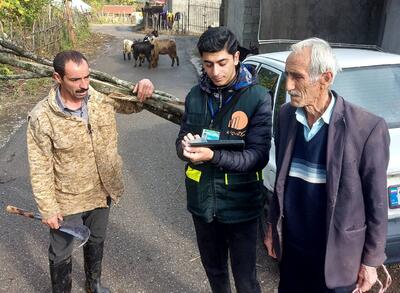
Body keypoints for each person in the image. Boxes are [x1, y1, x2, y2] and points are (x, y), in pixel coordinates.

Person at [265, 38, 390, 293]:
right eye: (287, 75)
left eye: (296, 77)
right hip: (293, 253)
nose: (288, 86)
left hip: (337, 260)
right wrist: (270, 227)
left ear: (326, 78)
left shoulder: (367, 129)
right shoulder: (287, 116)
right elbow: (280, 182)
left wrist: (371, 261)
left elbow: (377, 203)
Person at [27, 50, 154, 293]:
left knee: (96, 240)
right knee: (62, 250)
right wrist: (48, 207)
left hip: (101, 191)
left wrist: (145, 86)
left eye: (86, 77)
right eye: (75, 80)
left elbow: (134, 104)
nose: (84, 85)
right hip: (67, 197)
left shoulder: (100, 97)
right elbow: (39, 166)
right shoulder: (42, 117)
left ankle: (93, 283)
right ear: (57, 77)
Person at [176, 27, 272, 293]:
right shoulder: (195, 95)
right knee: (215, 273)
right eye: (208, 64)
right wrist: (184, 149)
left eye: (222, 63)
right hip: (203, 204)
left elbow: (257, 157)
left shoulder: (257, 98)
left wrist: (212, 156)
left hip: (241, 206)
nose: (215, 72)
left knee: (246, 280)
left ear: (236, 57)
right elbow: (181, 138)